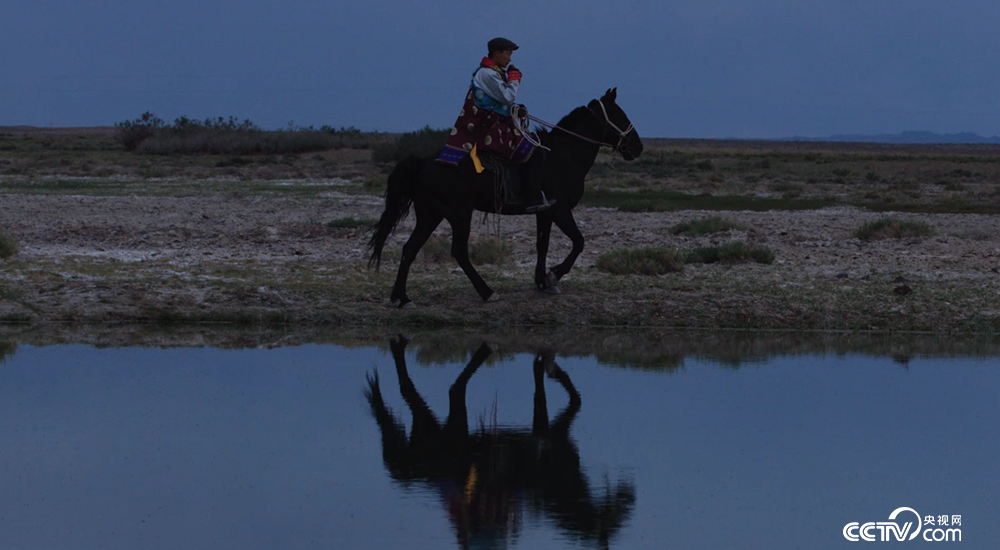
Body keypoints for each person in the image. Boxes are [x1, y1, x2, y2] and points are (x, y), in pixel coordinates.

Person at [438, 37, 555, 213]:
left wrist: (515, 110)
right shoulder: (487, 74)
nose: (510, 59)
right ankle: (532, 199)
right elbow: (508, 97)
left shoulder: (494, 73)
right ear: (497, 53)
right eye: (508, 54)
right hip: (487, 128)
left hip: (495, 123)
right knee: (531, 151)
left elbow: (498, 103)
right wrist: (514, 79)